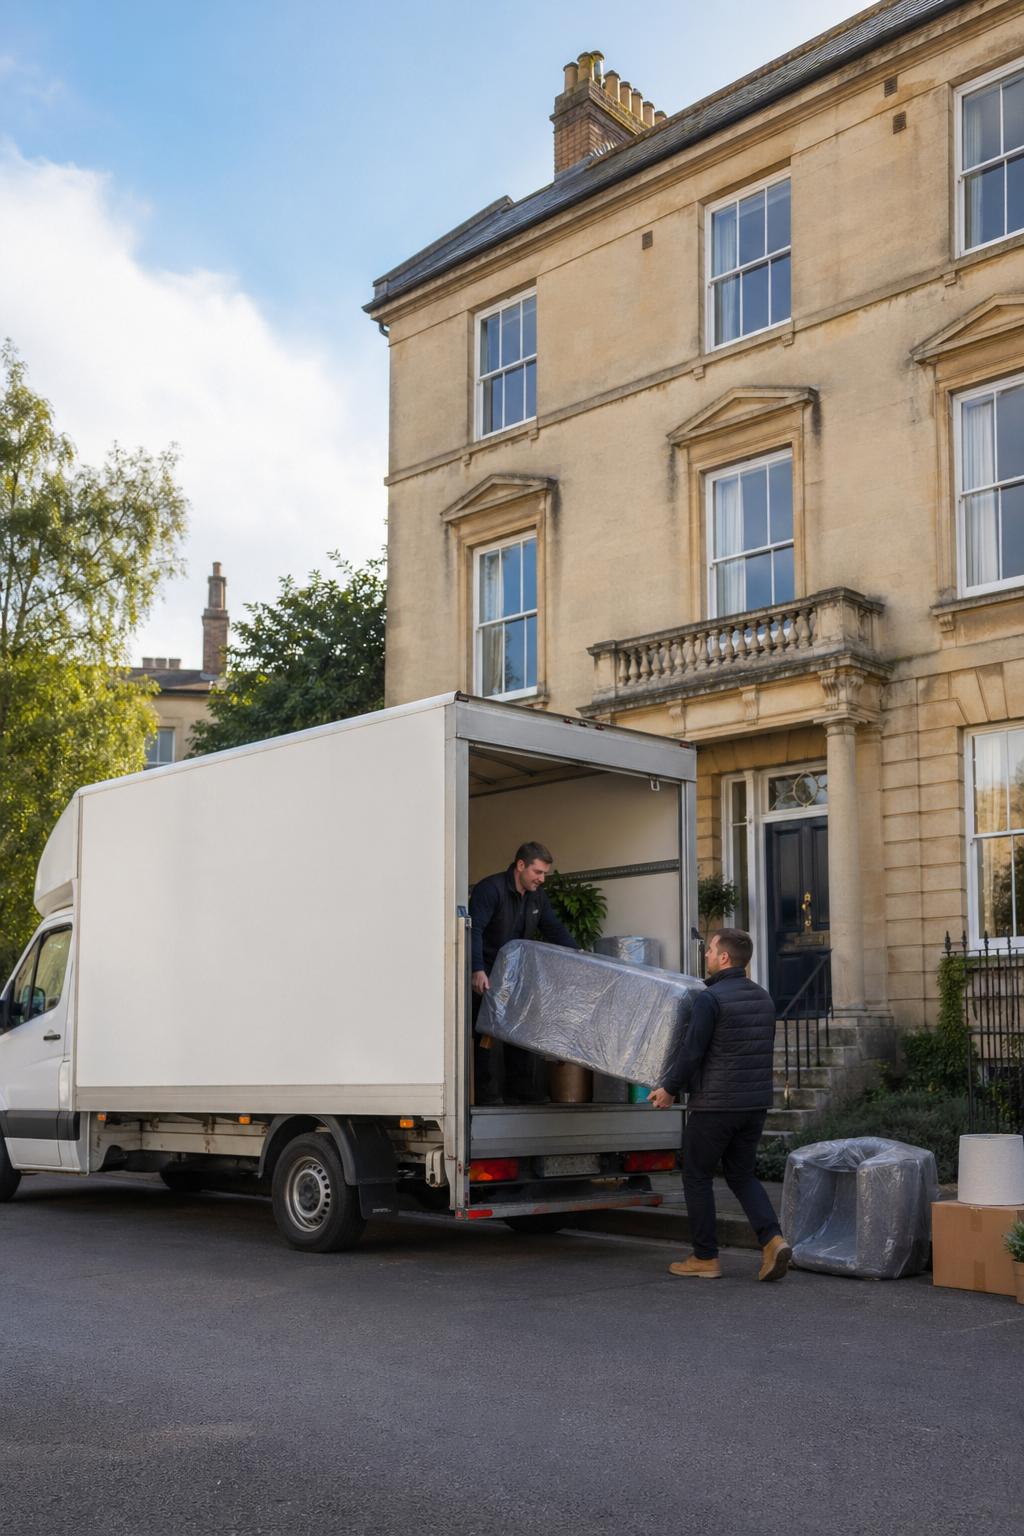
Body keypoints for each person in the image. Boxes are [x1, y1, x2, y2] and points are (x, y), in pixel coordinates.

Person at [649, 927, 792, 1282]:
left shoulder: (710, 1000)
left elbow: (692, 1051)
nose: (707, 955)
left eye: (710, 950)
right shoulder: (763, 997)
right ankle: (772, 1239)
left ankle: (704, 1257)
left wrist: (669, 1088)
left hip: (716, 1105)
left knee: (696, 1175)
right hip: (754, 1104)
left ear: (724, 957)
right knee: (741, 1174)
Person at [469, 841, 579, 1105]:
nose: (541, 879)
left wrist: (579, 955)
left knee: (520, 1034)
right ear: (520, 866)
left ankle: (520, 1093)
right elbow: (474, 930)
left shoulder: (536, 897)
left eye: (544, 874)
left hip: (516, 978)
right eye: (538, 872)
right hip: (487, 976)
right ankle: (489, 1097)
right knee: (488, 1039)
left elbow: (553, 927)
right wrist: (477, 969)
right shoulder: (490, 889)